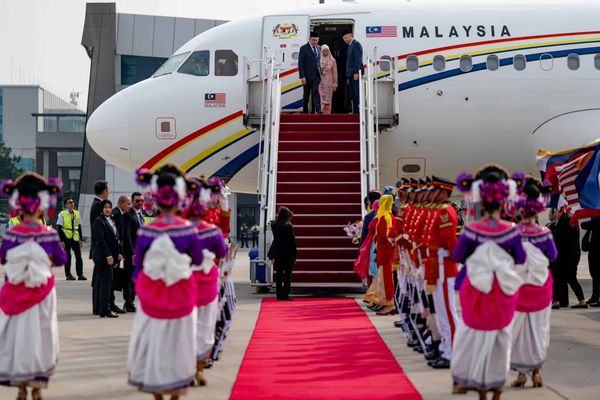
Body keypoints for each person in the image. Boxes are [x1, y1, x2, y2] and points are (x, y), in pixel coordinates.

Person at [128, 164, 205, 399]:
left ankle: (156, 386)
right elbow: (197, 259)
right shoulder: (187, 230)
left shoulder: (147, 230)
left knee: (154, 339)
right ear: (180, 198)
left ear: (156, 198)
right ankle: (176, 387)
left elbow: (139, 263)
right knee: (180, 340)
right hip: (181, 292)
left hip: (151, 293)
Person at [451, 165, 527, 399]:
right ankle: (496, 382)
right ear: (503, 201)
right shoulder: (510, 230)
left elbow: (458, 255)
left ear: (481, 201)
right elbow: (521, 258)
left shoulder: (471, 229)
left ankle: (470, 379)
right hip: (502, 289)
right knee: (501, 335)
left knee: (471, 333)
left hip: (475, 288)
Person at [0, 173, 67, 400]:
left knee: (19, 336)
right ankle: (37, 386)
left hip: (14, 292)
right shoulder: (48, 235)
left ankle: (20, 386)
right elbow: (62, 259)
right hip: (42, 293)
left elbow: (3, 257)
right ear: (43, 202)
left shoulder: (12, 234)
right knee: (41, 336)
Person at [510, 176, 557, 388]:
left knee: (518, 331)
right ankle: (536, 372)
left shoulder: (513, 233)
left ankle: (521, 374)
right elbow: (553, 256)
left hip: (518, 287)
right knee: (539, 329)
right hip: (540, 288)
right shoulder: (544, 233)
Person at [184, 178, 229, 386]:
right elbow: (223, 250)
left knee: (186, 327)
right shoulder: (211, 230)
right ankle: (199, 369)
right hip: (206, 283)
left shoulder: (178, 229)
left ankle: (187, 370)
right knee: (205, 327)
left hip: (185, 283)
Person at [423, 177, 460, 369]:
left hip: (444, 265)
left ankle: (452, 352)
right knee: (442, 311)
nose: (430, 194)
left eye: (434, 191)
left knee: (447, 312)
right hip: (437, 266)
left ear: (444, 193)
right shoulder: (440, 211)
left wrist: (455, 259)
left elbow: (451, 242)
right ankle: (446, 349)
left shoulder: (445, 212)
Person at [549, 205, 587, 309]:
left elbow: (559, 241)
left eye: (556, 212)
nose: (554, 214)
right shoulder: (571, 220)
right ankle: (582, 301)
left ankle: (556, 301)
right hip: (573, 255)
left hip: (565, 255)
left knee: (558, 277)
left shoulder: (564, 222)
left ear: (561, 211)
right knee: (571, 278)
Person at [92, 199, 123, 318]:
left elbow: (115, 239)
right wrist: (108, 256)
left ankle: (104, 309)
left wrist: (117, 253)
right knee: (106, 284)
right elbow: (101, 240)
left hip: (110, 256)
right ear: (101, 209)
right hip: (102, 257)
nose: (108, 209)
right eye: (105, 207)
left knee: (107, 283)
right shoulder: (99, 221)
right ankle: (105, 309)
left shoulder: (111, 220)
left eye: (109, 207)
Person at [120, 192, 145, 312]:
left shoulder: (140, 215)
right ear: (132, 202)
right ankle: (128, 302)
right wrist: (132, 253)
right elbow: (127, 236)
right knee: (128, 278)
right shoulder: (127, 215)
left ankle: (132, 301)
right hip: (131, 254)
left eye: (141, 201)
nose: (140, 203)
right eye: (137, 201)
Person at [268, 207, 297, 300]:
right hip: (288, 252)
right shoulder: (288, 227)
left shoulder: (274, 225)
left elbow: (274, 223)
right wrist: (295, 255)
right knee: (287, 274)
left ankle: (279, 294)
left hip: (278, 252)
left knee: (279, 274)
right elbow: (292, 242)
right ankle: (285, 294)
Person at [90, 180, 109, 315]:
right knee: (100, 280)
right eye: (107, 190)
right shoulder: (98, 205)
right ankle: (98, 307)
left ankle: (97, 306)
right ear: (104, 191)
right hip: (100, 248)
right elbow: (100, 230)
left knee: (98, 279)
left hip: (98, 248)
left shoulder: (96, 204)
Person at [57, 196, 86, 281]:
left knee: (79, 256)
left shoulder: (77, 213)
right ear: (66, 205)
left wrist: (81, 239)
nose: (72, 204)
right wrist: (61, 240)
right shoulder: (62, 214)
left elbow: (79, 226)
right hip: (66, 237)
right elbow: (59, 228)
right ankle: (68, 274)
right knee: (68, 256)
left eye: (72, 202)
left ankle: (80, 274)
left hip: (75, 237)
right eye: (70, 202)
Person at [298, 32, 322, 114]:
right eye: (313, 40)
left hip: (316, 75)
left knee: (315, 91)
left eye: (317, 40)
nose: (315, 42)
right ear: (309, 39)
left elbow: (318, 61)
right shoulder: (303, 48)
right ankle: (305, 111)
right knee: (306, 94)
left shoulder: (319, 48)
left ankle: (318, 110)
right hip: (307, 76)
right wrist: (302, 76)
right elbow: (300, 63)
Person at [342, 30, 363, 114]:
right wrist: (348, 76)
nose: (344, 39)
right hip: (350, 75)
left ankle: (357, 112)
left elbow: (358, 60)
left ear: (351, 36)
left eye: (345, 37)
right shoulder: (350, 45)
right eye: (343, 38)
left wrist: (356, 72)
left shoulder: (356, 44)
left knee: (356, 93)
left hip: (355, 74)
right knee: (352, 94)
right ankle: (355, 111)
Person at [581, 218, 600, 306]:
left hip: (597, 253)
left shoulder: (596, 222)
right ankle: (595, 297)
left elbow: (584, 225)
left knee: (597, 276)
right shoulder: (592, 225)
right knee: (594, 276)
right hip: (592, 253)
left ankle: (596, 298)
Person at [319, 44, 338, 114]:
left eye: (327, 51)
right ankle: (320, 112)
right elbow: (316, 72)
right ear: (321, 51)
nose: (325, 53)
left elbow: (335, 72)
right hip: (320, 82)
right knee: (321, 97)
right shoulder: (318, 60)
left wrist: (335, 83)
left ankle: (327, 114)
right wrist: (322, 68)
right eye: (324, 51)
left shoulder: (333, 60)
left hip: (329, 81)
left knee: (328, 98)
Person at [330, 38, 348, 114]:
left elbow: (345, 64)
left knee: (341, 93)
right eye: (334, 44)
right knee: (333, 93)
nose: (336, 46)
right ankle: (333, 109)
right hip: (332, 77)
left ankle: (341, 109)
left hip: (341, 77)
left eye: (337, 44)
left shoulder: (343, 52)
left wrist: (342, 74)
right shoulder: (330, 53)